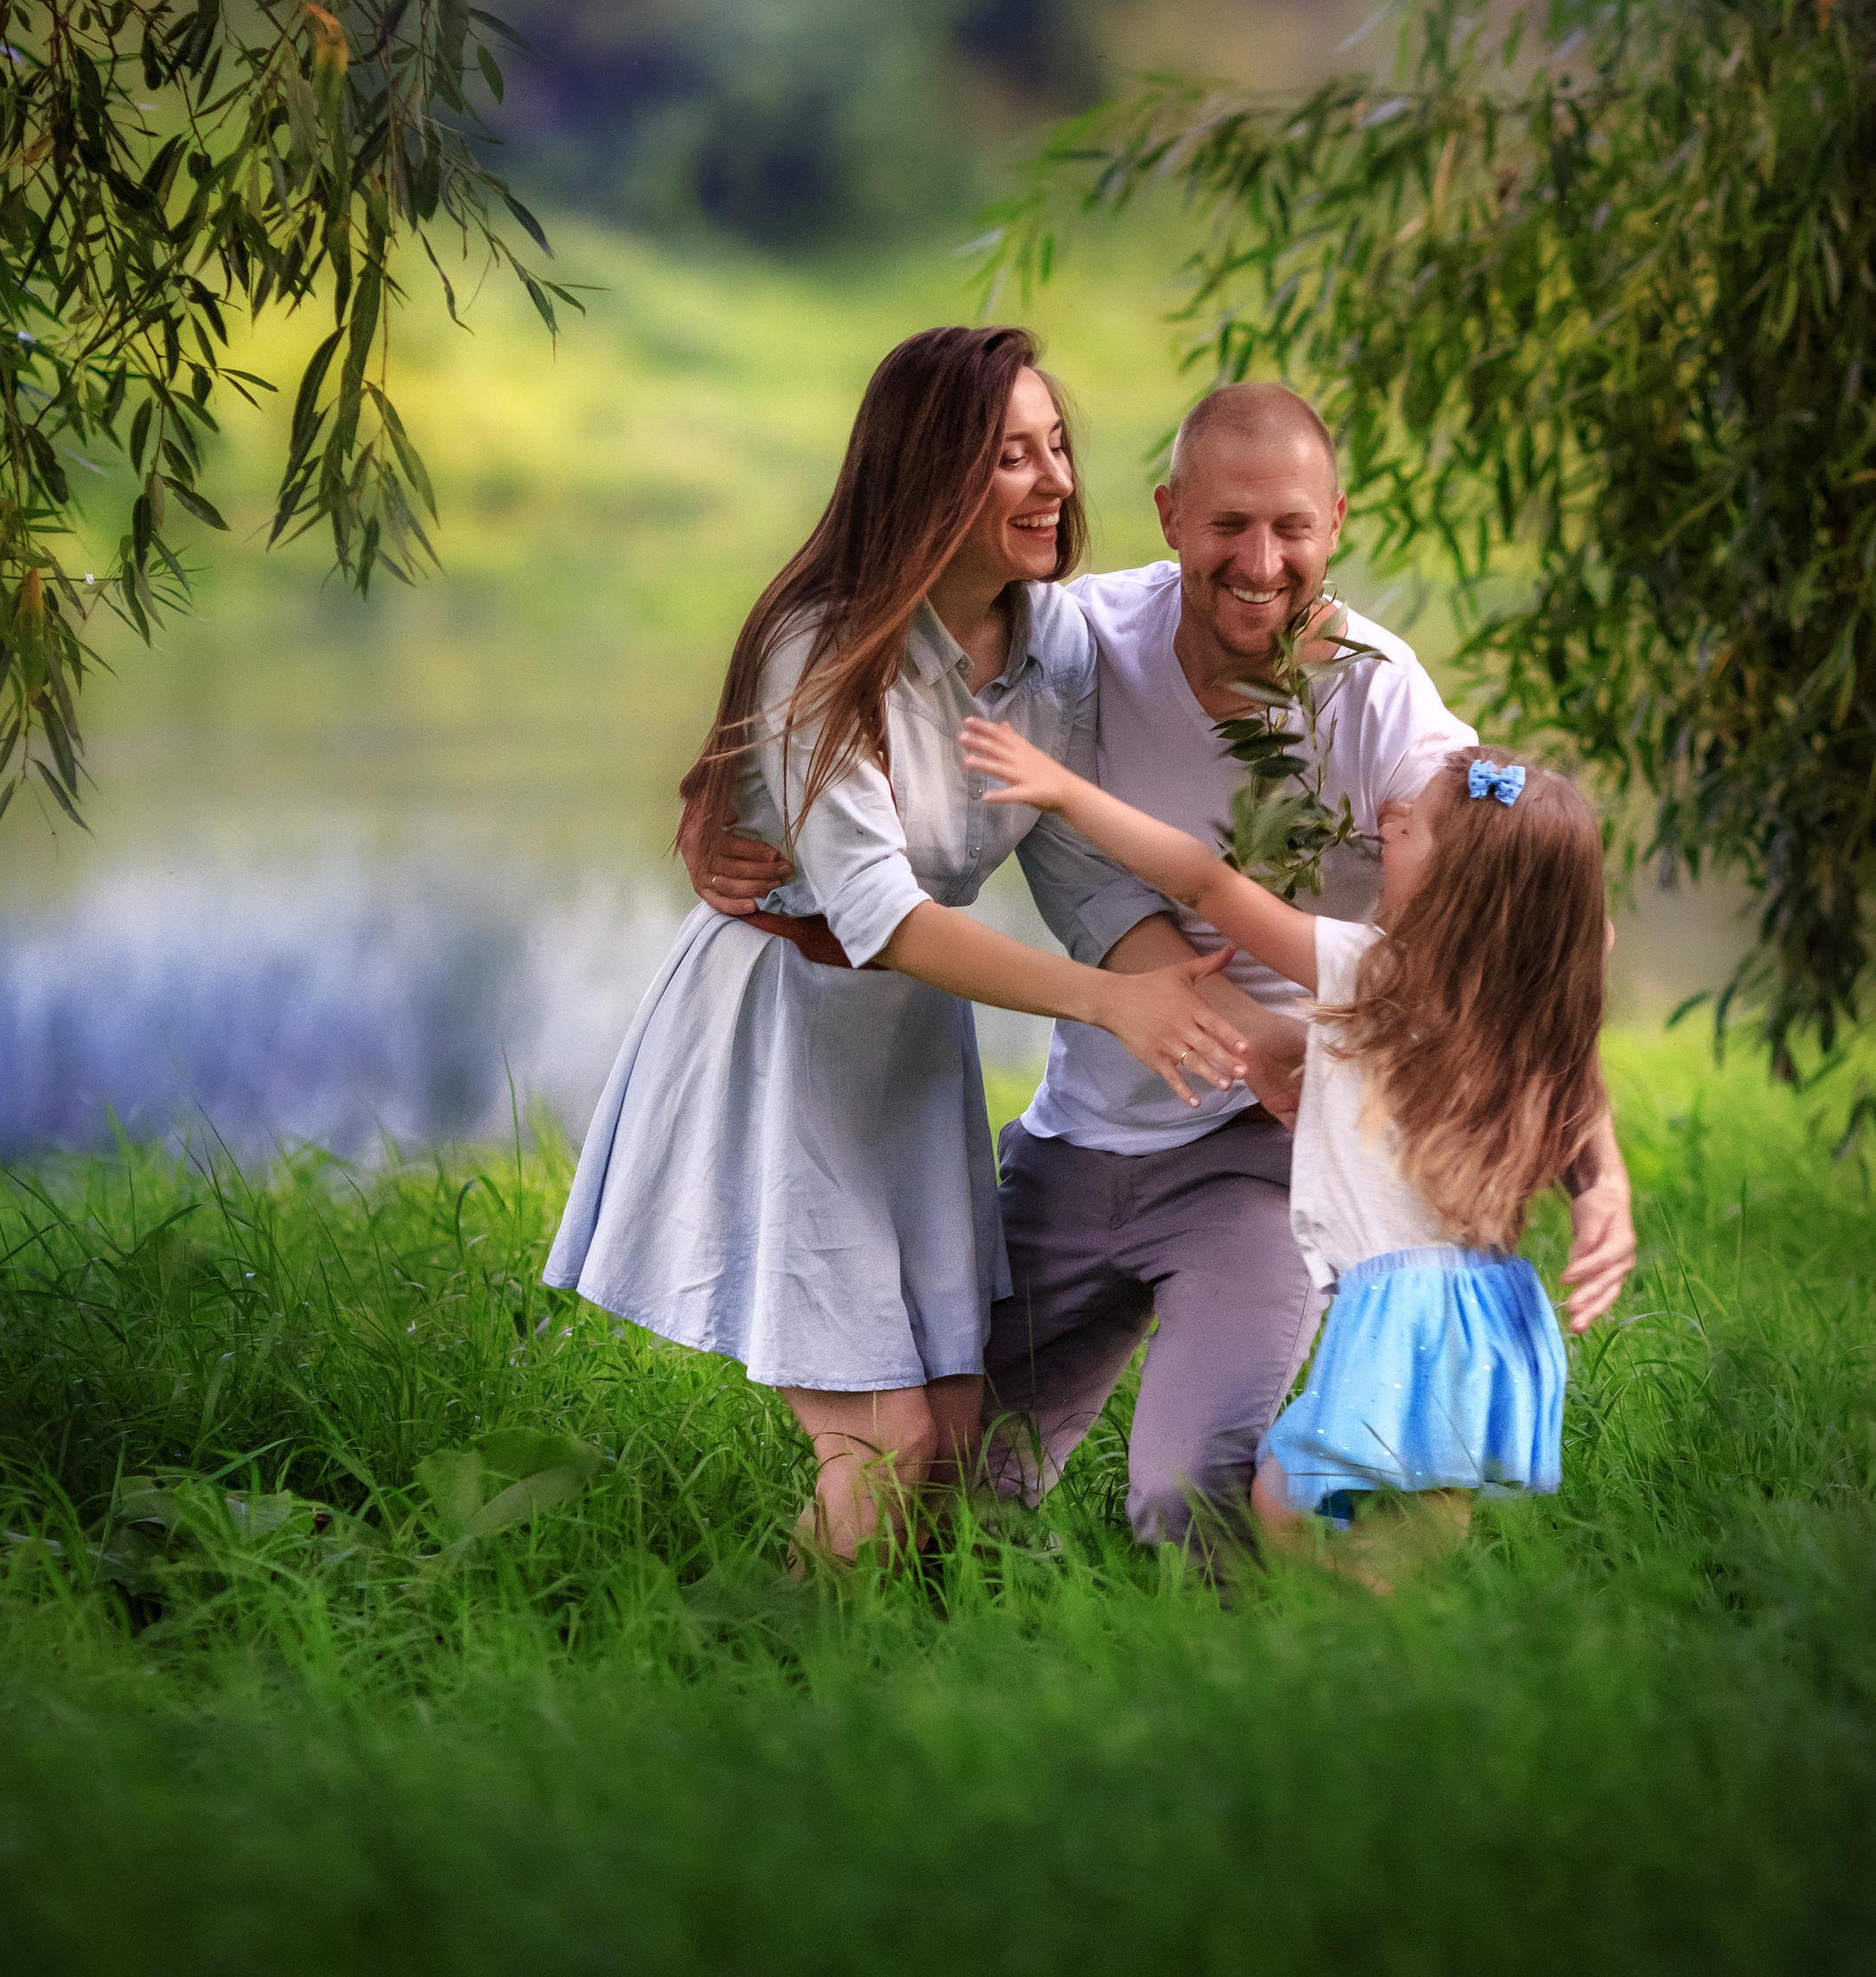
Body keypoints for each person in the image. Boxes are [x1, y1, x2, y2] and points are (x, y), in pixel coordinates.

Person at [692, 379, 1638, 1561]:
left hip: (1258, 1158)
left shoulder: (1374, 697)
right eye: (1229, 525)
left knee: (1189, 1495)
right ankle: (791, 1652)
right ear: (1171, 515)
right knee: (938, 1491)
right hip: (1082, 1135)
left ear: (1335, 522)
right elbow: (890, 678)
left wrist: (1598, 1174)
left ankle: (1273, 1698)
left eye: (1292, 527)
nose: (1261, 561)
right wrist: (741, 827)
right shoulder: (1078, 642)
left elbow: (1540, 938)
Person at [542, 327, 1247, 1564]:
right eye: (1011, 458)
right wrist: (1105, 1006)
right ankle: (744, 1680)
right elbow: (881, 917)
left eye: (1058, 448)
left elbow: (1079, 874)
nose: (1055, 483)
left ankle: (896, 1690)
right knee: (884, 1450)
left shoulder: (1054, 643)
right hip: (785, 1031)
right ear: (930, 474)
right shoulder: (822, 644)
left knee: (959, 1445)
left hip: (910, 1049)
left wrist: (1216, 1024)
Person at [957, 716, 1608, 1585]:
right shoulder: (1520, 1000)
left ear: (1458, 883)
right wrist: (1603, 1191)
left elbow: (1203, 884)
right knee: (1379, 1497)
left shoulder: (1371, 969)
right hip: (1472, 1303)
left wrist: (1068, 790)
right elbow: (1584, 943)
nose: (1393, 817)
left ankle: (1363, 1624)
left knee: (1305, 1498)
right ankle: (1381, 1627)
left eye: (1414, 828)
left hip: (1407, 1306)